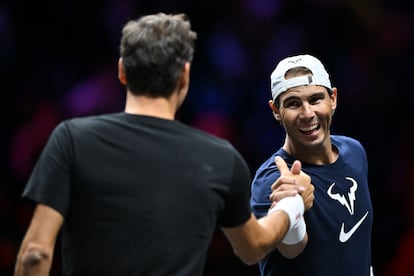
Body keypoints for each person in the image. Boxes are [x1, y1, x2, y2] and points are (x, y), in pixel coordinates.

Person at [14, 13, 315, 276]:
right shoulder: (220, 157)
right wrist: (292, 204)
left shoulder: (70, 139)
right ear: (184, 76)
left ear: (122, 71)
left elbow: (35, 253)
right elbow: (253, 249)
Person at [250, 54, 374, 275]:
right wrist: (292, 206)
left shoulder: (354, 152)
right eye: (293, 104)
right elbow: (291, 250)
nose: (307, 114)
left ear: (333, 98)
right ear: (276, 111)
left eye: (316, 99)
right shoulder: (273, 181)